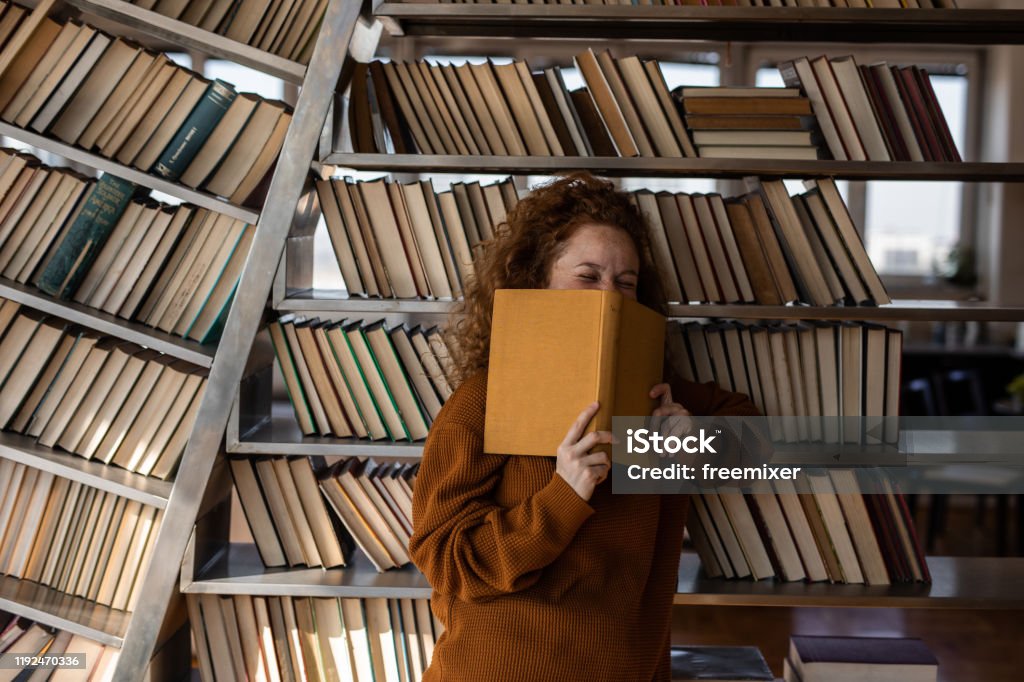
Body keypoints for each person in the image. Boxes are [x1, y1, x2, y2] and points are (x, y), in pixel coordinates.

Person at [409, 172, 761, 682]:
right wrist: (563, 496)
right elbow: (445, 561)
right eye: (587, 275)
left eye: (625, 282)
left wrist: (696, 439)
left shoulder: (656, 395)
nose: (607, 298)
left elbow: (760, 439)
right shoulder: (482, 400)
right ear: (538, 284)